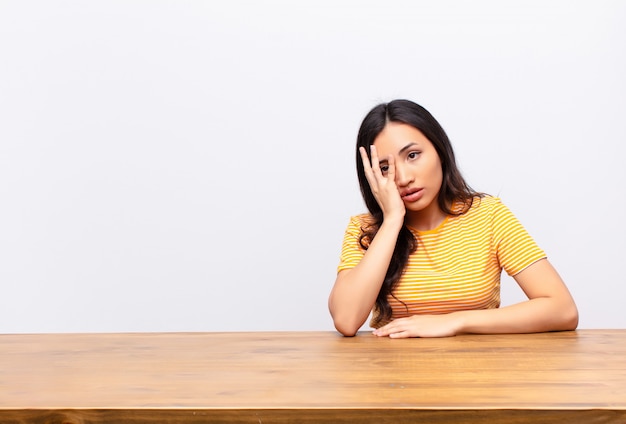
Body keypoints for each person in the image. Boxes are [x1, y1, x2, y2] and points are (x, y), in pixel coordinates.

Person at [328, 99, 578, 338]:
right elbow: (346, 321)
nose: (403, 178)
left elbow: (562, 310)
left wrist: (454, 321)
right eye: (385, 167)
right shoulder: (365, 229)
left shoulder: (489, 215)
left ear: (440, 150)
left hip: (476, 373)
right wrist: (393, 220)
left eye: (413, 155)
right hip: (393, 376)